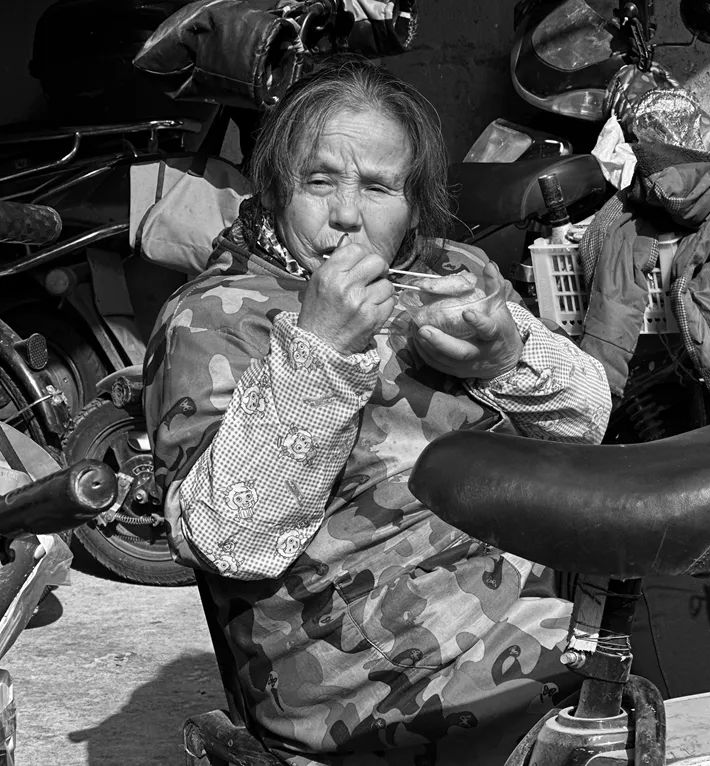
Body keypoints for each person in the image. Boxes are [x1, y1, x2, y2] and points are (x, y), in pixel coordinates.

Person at [144, 56, 612, 764]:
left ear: (414, 204)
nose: (345, 214)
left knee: (691, 579)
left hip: (526, 592)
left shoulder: (448, 272)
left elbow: (586, 423)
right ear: (275, 188)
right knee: (642, 687)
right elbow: (228, 540)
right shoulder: (213, 318)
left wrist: (504, 358)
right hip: (376, 676)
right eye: (318, 180)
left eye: (378, 186)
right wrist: (319, 350)